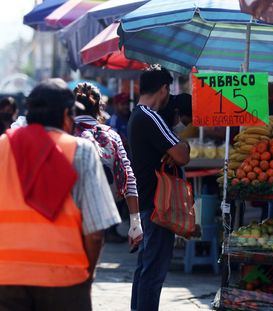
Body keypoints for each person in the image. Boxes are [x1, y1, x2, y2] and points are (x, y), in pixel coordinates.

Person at [0, 78, 121, 311]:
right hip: (64, 278)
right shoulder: (81, 151)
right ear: (67, 114)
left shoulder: (3, 146)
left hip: (7, 277)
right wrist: (87, 276)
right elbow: (95, 233)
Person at [128, 67, 190, 311]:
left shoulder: (138, 115)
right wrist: (181, 145)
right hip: (158, 206)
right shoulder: (150, 116)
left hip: (148, 202)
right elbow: (182, 155)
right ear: (164, 89)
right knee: (153, 272)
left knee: (145, 269)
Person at [72, 82, 143, 246]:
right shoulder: (112, 136)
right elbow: (129, 179)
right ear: (99, 108)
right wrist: (135, 223)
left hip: (67, 216)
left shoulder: (64, 133)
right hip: (99, 214)